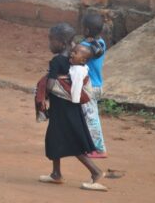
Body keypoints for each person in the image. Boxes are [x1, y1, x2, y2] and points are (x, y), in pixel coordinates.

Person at [36, 24, 107, 191]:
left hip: (62, 109)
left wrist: (43, 89)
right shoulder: (75, 58)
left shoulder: (57, 61)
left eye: (51, 40)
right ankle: (56, 174)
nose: (49, 44)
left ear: (61, 43)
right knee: (54, 138)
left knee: (72, 142)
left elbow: (52, 83)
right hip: (70, 107)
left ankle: (96, 172)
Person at [80, 13, 108, 158]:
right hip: (97, 85)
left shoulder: (84, 47)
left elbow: (77, 53)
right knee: (87, 116)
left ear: (85, 30)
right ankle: (86, 144)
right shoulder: (101, 43)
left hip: (88, 87)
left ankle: (99, 149)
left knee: (91, 118)